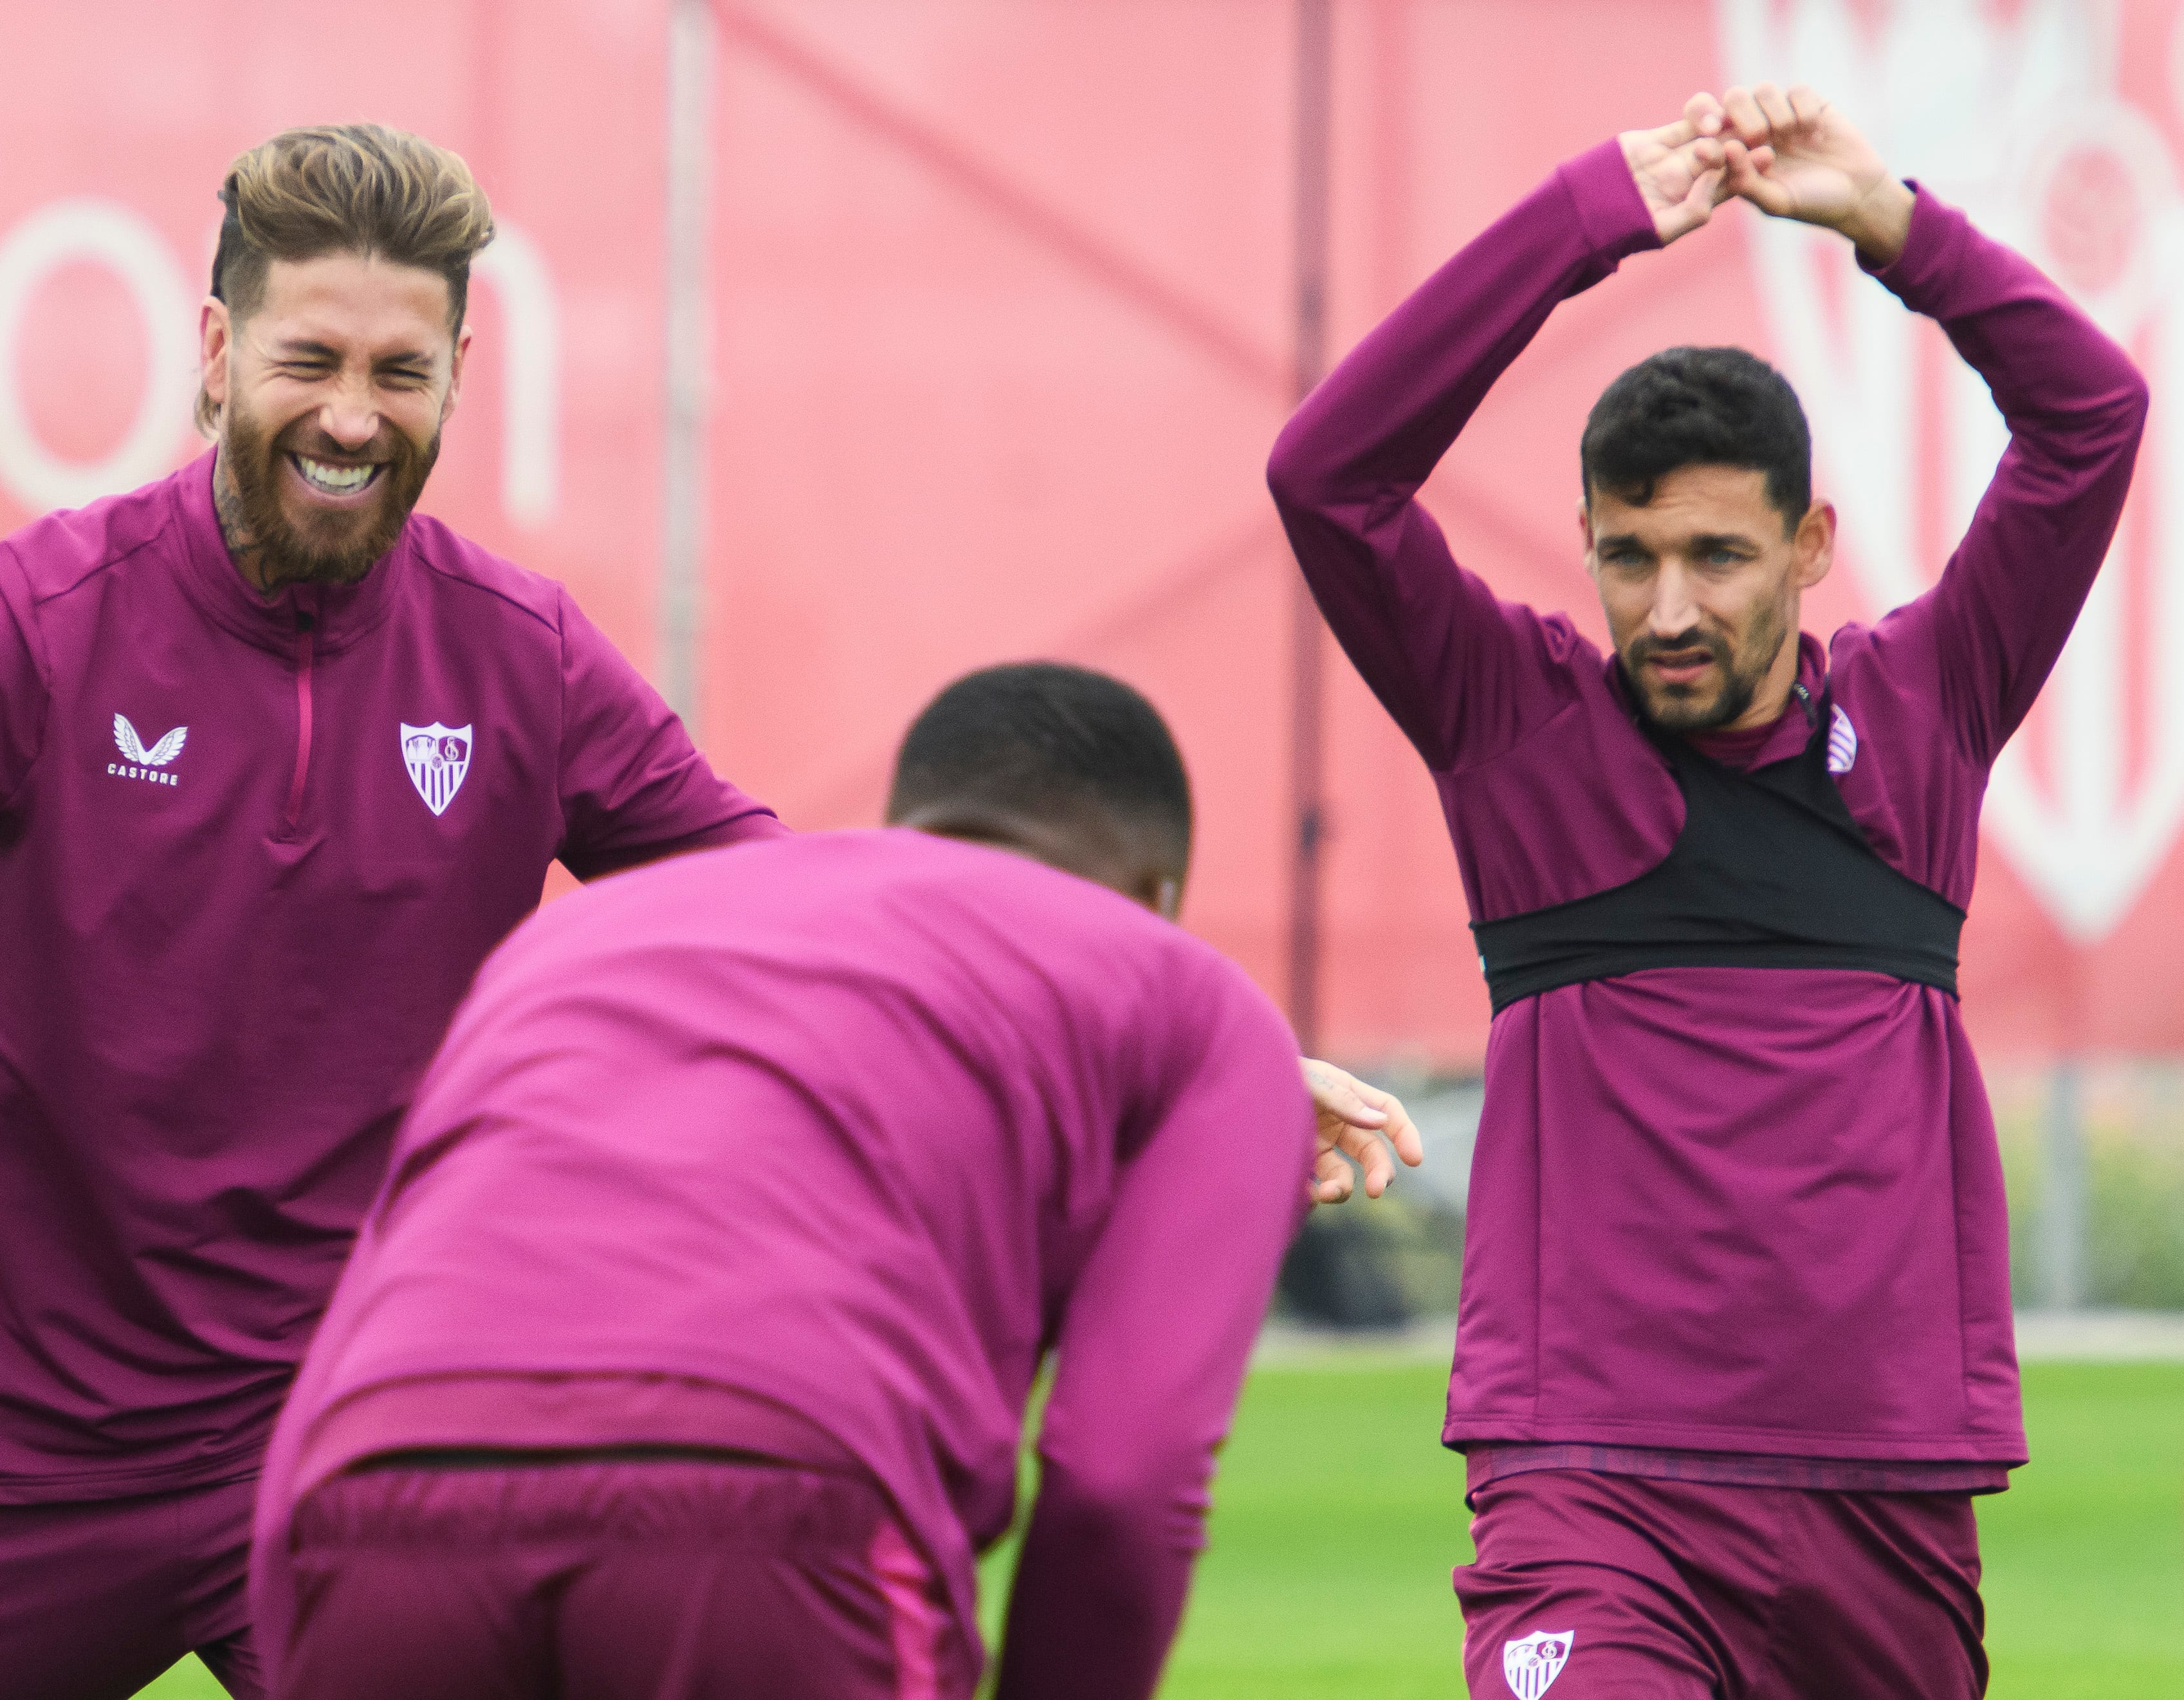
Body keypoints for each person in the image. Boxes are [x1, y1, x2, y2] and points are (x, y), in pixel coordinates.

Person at [0, 125, 786, 1700]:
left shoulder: (524, 660)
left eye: (400, 371)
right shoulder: (27, 625)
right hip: (14, 1465)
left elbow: (782, 918)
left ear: (459, 370)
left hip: (352, 1452)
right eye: (309, 358)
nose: (350, 415)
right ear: (215, 347)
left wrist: (1066, 1029)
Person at [1267, 85, 2147, 1698]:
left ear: (1809, 543)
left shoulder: (1926, 713)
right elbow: (1327, 476)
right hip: (1589, 1493)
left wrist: (1893, 226)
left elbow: (2089, 416)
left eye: (1716, 558)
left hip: (1881, 1502)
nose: (1665, 608)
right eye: (1627, 557)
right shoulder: (1511, 727)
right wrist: (1579, 222)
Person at [246, 662, 1425, 1700]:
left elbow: (382, 1288)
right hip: (771, 1509)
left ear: (905, 824)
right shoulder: (1188, 993)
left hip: (367, 1495)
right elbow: (1124, 1476)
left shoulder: (573, 938)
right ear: (1161, 892)